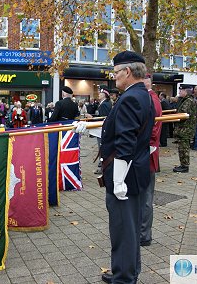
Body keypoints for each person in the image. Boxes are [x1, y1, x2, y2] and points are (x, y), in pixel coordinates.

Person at [75, 51, 154, 284]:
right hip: (134, 172)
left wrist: (118, 181)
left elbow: (125, 143)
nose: (115, 77)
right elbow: (118, 129)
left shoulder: (130, 98)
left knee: (123, 230)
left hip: (126, 176)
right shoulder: (141, 95)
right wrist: (88, 128)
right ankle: (127, 271)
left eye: (116, 72)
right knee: (127, 229)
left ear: (127, 72)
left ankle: (124, 277)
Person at [140, 74, 162, 247]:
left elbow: (152, 131)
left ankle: (144, 234)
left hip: (147, 153)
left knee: (146, 196)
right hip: (147, 152)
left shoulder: (150, 99)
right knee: (144, 195)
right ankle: (142, 232)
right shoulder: (150, 98)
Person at [173, 85, 197, 173]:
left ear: (185, 92)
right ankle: (183, 164)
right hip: (184, 128)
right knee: (182, 147)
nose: (179, 93)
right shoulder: (186, 100)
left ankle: (185, 166)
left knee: (184, 148)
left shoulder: (188, 101)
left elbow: (182, 113)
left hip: (185, 129)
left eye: (181, 91)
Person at [92, 86, 112, 174]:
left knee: (102, 148)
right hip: (103, 129)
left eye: (100, 93)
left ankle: (102, 167)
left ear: (105, 94)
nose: (99, 94)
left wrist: (92, 117)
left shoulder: (104, 104)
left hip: (102, 129)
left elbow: (102, 118)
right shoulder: (107, 103)